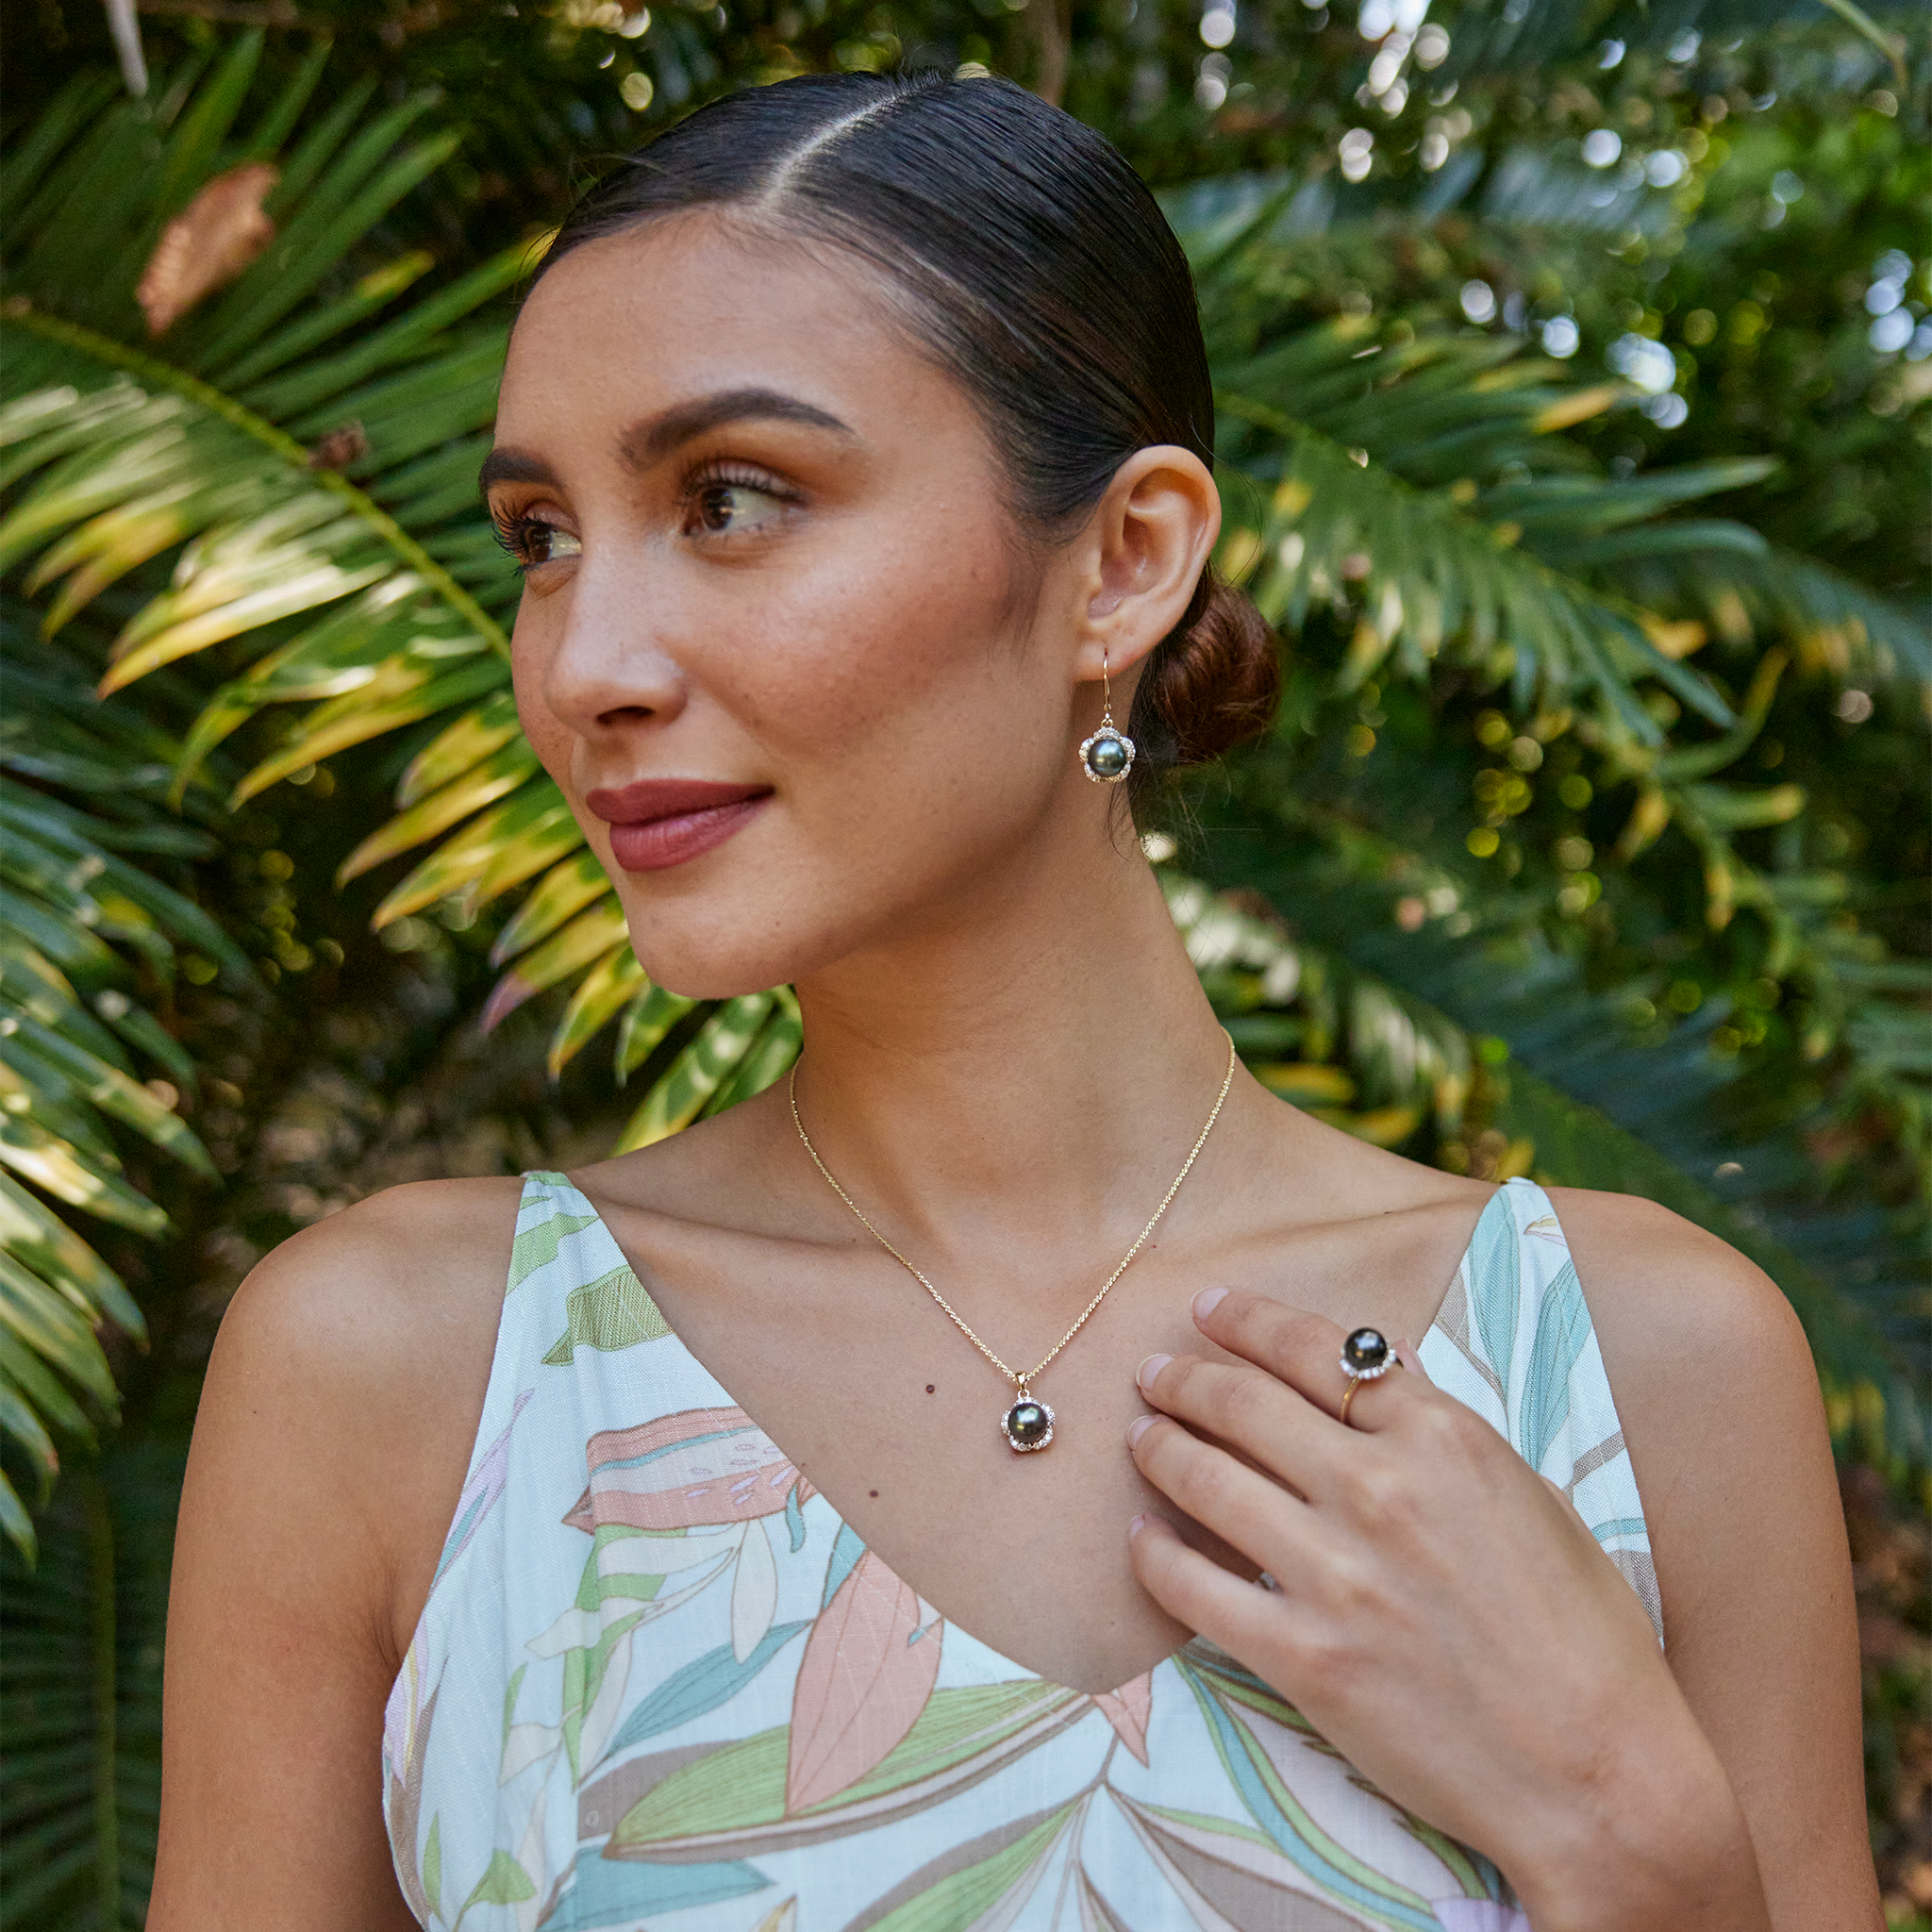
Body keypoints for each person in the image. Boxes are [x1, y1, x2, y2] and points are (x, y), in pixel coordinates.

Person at [149, 72, 1875, 1932]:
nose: (584, 663)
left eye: (730, 499)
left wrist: (1640, 1845)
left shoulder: (1637, 1371)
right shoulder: (406, 1381)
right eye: (542, 536)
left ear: (1121, 563)